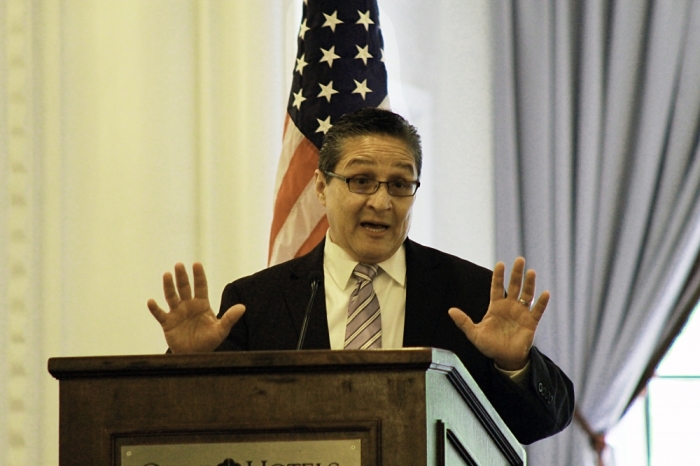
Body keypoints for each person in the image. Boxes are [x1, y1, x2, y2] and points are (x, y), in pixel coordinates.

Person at [147, 107, 574, 445]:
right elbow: (196, 427)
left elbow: (540, 423)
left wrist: (513, 364)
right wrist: (186, 366)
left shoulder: (471, 294)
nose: (382, 202)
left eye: (400, 184)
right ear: (320, 186)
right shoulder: (256, 301)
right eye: (361, 181)